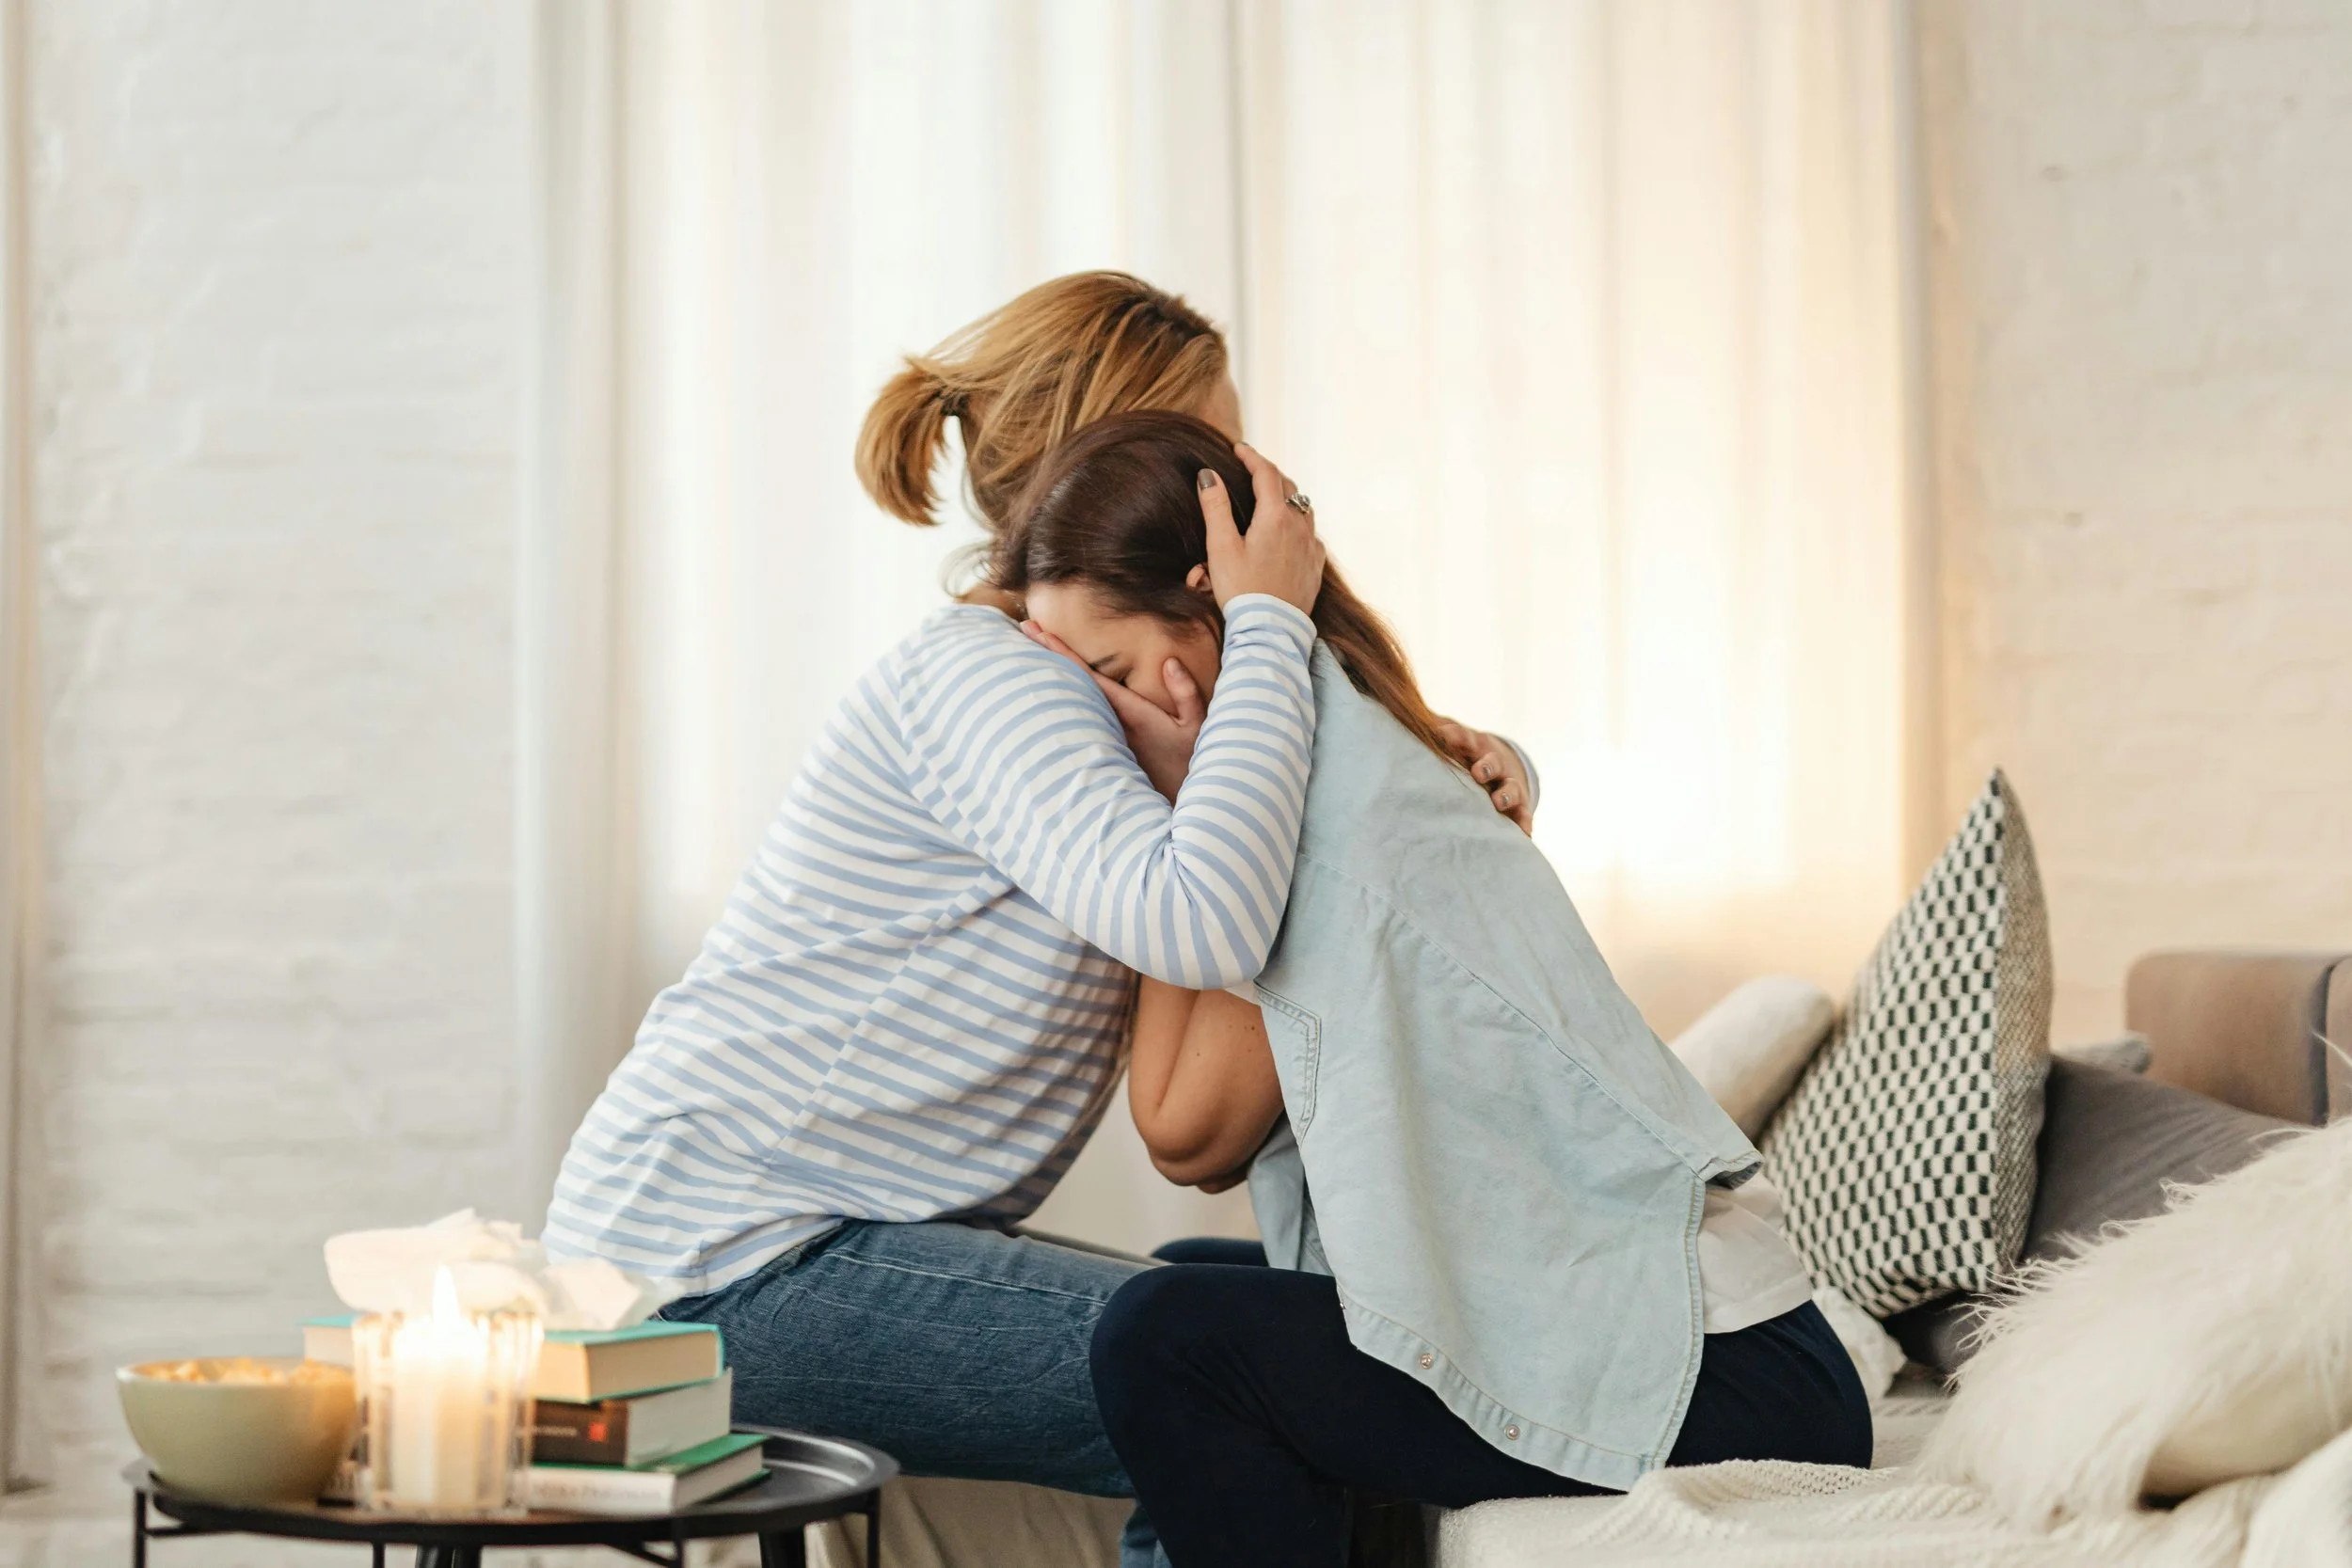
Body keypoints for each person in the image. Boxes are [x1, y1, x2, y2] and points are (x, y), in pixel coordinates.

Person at [541, 272, 1531, 1505]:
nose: (1251, 486)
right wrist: (1272, 622)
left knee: (1232, 1331)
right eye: (1217, 457)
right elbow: (1205, 916)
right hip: (710, 1267)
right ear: (1111, 470)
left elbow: (1285, 837)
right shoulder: (996, 682)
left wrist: (1479, 760)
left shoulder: (1096, 687)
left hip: (784, 1247)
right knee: (1224, 1375)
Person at [1000, 411, 1874, 1566]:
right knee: (1187, 1280)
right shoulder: (1326, 747)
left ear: (1211, 617)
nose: (1096, 721)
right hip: (1687, 1342)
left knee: (1164, 1336)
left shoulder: (1327, 802)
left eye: (1109, 675)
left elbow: (1185, 1132)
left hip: (1728, 1373)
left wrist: (1175, 805)